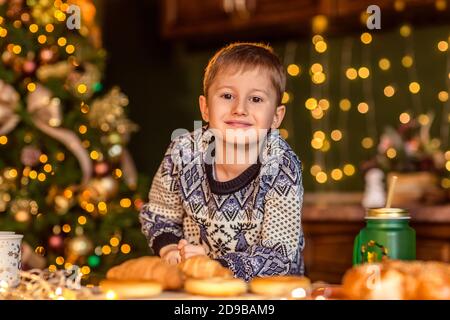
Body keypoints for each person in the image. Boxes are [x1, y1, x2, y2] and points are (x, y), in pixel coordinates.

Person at [139, 42, 305, 281]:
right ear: (205, 108)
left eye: (256, 99)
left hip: (269, 291)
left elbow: (277, 256)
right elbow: (159, 215)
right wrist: (170, 248)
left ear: (276, 117)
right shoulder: (184, 153)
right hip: (198, 285)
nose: (240, 108)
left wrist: (217, 265)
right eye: (227, 96)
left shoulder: (281, 167)